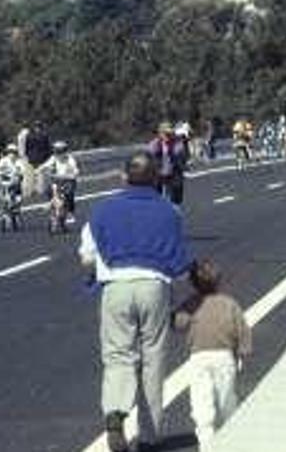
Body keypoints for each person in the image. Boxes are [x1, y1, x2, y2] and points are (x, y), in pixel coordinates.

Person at [80, 152, 193, 452]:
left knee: (118, 355)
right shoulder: (169, 212)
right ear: (157, 178)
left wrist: (96, 273)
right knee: (153, 360)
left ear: (124, 176)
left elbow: (87, 255)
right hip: (154, 287)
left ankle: (116, 410)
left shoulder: (103, 210)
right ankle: (149, 436)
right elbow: (179, 264)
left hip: (116, 287)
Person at [174, 261, 251, 447]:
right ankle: (230, 432)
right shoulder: (229, 304)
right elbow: (242, 329)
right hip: (224, 357)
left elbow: (179, 324)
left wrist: (174, 315)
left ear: (193, 282)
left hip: (198, 357)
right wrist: (243, 350)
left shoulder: (191, 303)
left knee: (201, 400)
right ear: (218, 281)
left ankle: (206, 441)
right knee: (226, 397)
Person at [39, 141, 81, 223]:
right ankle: (52, 204)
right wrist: (38, 170)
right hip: (57, 181)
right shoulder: (53, 158)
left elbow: (75, 170)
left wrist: (74, 174)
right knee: (48, 190)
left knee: (69, 194)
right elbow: (44, 165)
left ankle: (70, 213)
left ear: (65, 151)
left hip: (68, 181)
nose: (59, 154)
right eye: (57, 152)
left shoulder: (70, 160)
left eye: (61, 151)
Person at [148, 122, 189, 206]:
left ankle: (173, 210)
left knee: (176, 198)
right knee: (154, 197)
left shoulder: (177, 144)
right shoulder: (154, 144)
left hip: (173, 173)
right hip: (158, 173)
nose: (167, 135)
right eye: (165, 133)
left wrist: (182, 164)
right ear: (160, 134)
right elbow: (147, 158)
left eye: (169, 133)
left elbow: (183, 158)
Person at [0, 144, 26, 210]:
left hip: (16, 182)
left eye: (14, 152)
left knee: (18, 199)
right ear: (7, 153)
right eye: (10, 152)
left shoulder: (18, 161)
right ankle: (4, 208)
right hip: (6, 181)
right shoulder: (3, 161)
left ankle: (16, 207)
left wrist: (20, 173)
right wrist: (1, 173)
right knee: (5, 197)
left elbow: (23, 170)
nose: (12, 154)